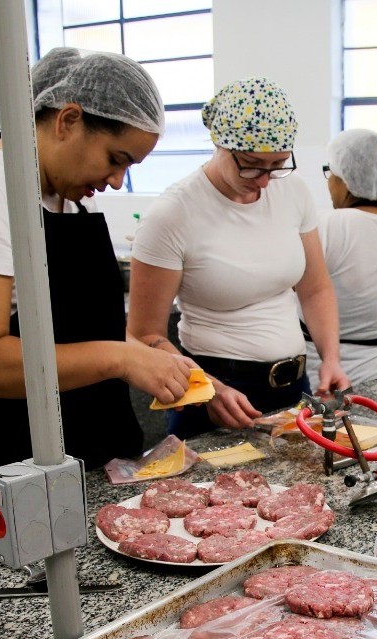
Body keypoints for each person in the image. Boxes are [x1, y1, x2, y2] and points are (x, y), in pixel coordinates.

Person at [0, 48, 194, 514]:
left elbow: (74, 329)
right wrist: (120, 358)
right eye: (116, 159)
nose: (116, 181)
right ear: (67, 120)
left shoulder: (69, 197)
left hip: (85, 453)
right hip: (9, 462)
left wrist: (147, 355)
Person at [128, 77, 349, 439]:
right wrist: (207, 388)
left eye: (277, 164)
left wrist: (331, 358)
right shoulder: (173, 214)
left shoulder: (292, 191)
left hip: (293, 386)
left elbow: (315, 288)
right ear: (219, 143)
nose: (264, 181)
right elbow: (143, 335)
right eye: (251, 165)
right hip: (214, 393)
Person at [304, 128, 377, 387]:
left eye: (330, 173)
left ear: (346, 179)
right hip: (376, 369)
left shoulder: (326, 225)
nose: (329, 184)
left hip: (320, 372)